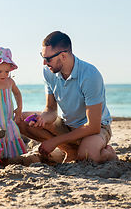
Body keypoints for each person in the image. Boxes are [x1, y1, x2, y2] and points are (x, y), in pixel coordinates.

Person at [18, 31, 118, 164]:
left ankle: (109, 154)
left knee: (89, 156)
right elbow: (51, 110)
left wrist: (54, 142)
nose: (44, 62)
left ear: (63, 56)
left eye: (48, 59)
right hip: (67, 125)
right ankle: (70, 151)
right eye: (42, 56)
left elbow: (93, 126)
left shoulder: (90, 75)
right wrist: (42, 118)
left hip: (95, 128)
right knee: (21, 120)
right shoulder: (48, 71)